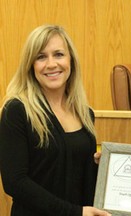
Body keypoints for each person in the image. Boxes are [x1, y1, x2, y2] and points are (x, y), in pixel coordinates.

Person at [0, 25, 111, 216]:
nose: (51, 64)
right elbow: (15, 182)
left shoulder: (84, 113)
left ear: (71, 61)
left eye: (59, 54)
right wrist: (74, 213)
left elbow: (75, 176)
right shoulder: (17, 111)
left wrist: (103, 166)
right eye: (41, 57)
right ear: (30, 65)